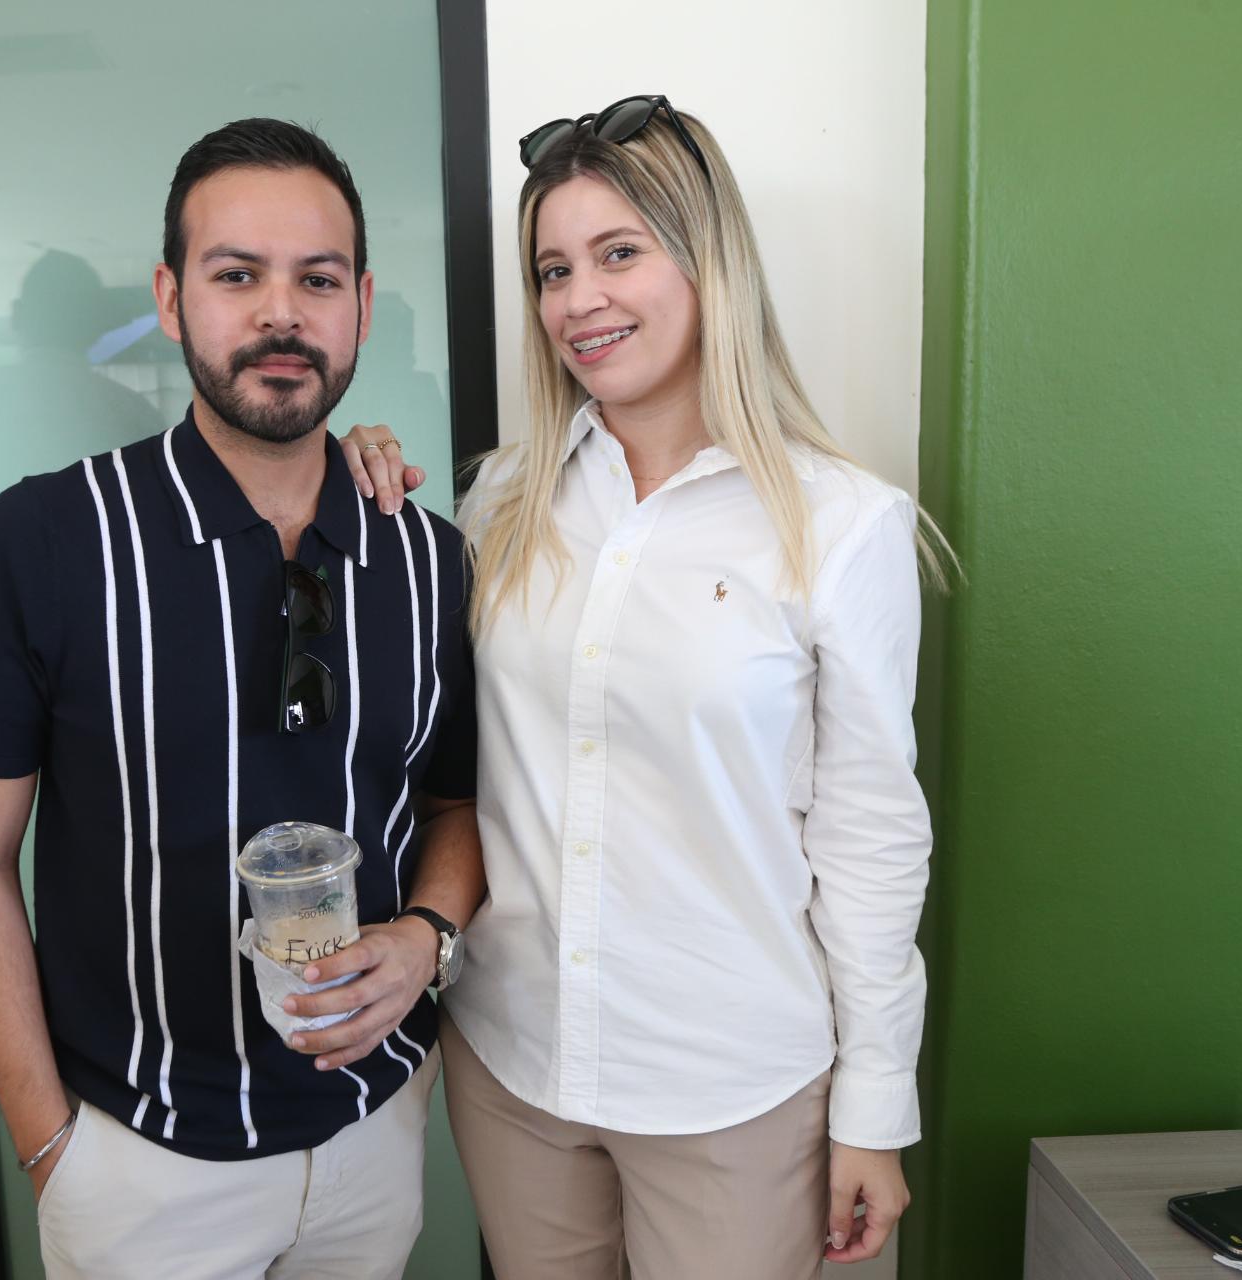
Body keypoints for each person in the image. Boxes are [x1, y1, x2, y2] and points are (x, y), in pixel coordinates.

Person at [345, 95, 952, 1277]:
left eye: (619, 252)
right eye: (553, 269)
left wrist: (876, 1105)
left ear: (708, 260)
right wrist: (342, 472)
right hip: (515, 1065)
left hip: (734, 1087)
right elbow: (447, 745)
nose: (580, 299)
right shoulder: (500, 500)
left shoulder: (842, 524)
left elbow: (874, 838)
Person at [0, 117, 483, 1280]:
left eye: (317, 279)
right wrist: (48, 1142)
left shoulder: (428, 558)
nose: (282, 314)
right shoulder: (42, 543)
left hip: (372, 1134)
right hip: (138, 1158)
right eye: (238, 275)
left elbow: (454, 805)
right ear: (172, 299)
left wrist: (426, 938)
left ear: (362, 306)